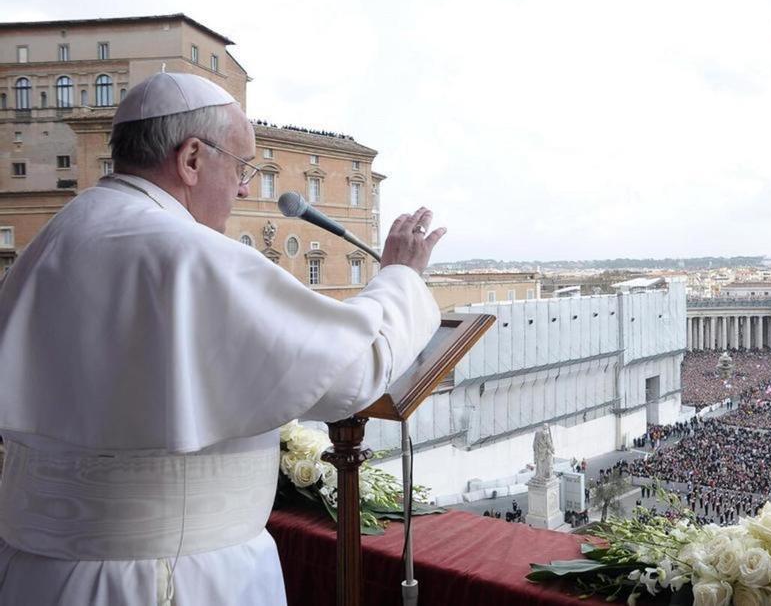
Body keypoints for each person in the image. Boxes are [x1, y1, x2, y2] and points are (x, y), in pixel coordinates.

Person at [0, 73, 446, 605]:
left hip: (39, 575)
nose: (243, 188)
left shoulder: (52, 239)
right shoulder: (186, 252)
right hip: (168, 579)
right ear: (191, 158)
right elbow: (352, 368)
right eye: (240, 166)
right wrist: (401, 277)